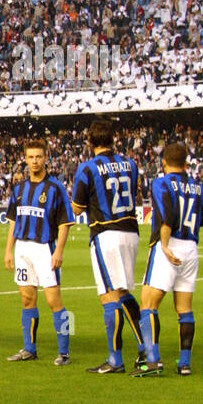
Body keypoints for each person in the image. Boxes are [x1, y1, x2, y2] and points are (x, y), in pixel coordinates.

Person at [71, 120, 146, 374]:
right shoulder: (131, 163)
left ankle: (116, 359)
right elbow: (135, 193)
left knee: (109, 295)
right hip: (131, 231)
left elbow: (78, 208)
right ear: (113, 140)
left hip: (105, 232)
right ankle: (146, 347)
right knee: (122, 291)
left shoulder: (87, 168)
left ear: (90, 141)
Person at [136, 142, 203, 377]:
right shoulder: (199, 186)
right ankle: (185, 364)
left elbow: (166, 217)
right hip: (191, 247)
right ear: (186, 163)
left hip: (169, 245)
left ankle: (153, 360)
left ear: (164, 162)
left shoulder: (161, 183)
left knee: (148, 304)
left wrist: (165, 246)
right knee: (184, 309)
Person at [3, 138, 74, 365]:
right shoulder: (19, 189)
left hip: (45, 248)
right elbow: (13, 221)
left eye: (39, 157)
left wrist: (59, 251)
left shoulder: (55, 188)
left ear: (46, 159)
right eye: (31, 157)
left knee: (55, 300)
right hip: (23, 248)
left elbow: (65, 223)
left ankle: (65, 352)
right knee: (26, 299)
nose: (35, 161)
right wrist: (8, 250)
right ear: (25, 159)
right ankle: (29, 349)